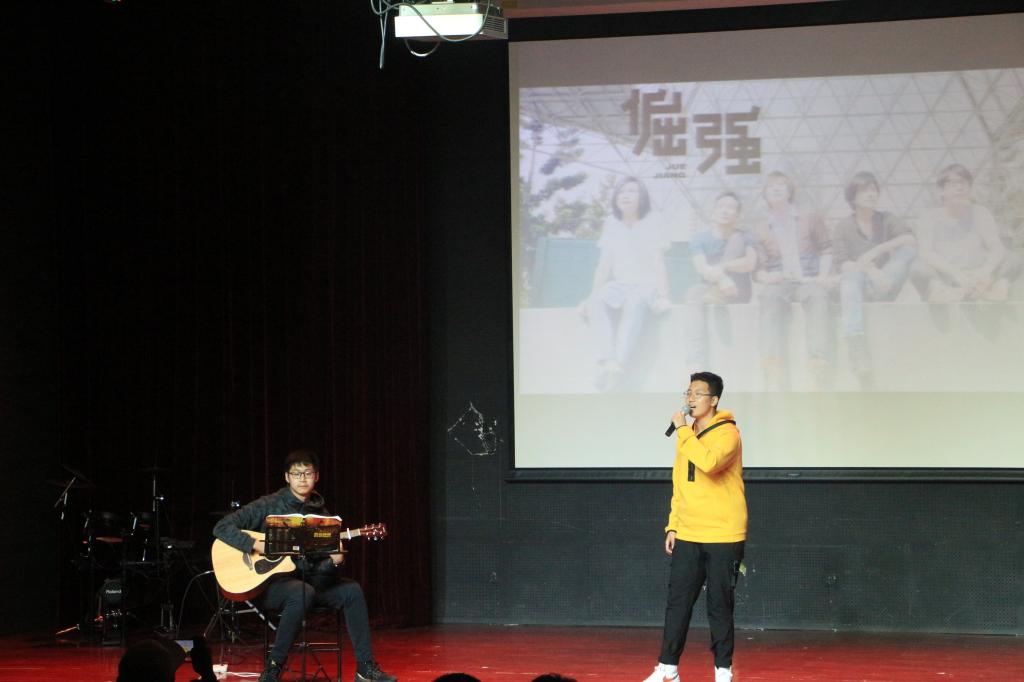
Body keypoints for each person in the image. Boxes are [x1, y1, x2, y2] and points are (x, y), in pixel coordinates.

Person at [213, 450, 396, 682]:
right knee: (302, 592)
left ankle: (365, 669)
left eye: (308, 473)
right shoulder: (268, 504)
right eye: (296, 473)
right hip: (269, 586)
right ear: (287, 477)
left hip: (306, 584)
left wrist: (335, 561)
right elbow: (221, 527)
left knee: (351, 591)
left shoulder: (321, 516)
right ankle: (273, 667)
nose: (302, 478)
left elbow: (319, 576)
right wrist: (254, 545)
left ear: (316, 476)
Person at [642, 372, 746, 682]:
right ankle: (668, 668)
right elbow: (681, 484)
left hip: (722, 533)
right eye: (688, 392)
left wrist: (683, 431)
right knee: (678, 602)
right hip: (688, 531)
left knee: (719, 604)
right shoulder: (688, 435)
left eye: (698, 393)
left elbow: (709, 463)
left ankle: (723, 670)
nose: (690, 398)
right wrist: (673, 525)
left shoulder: (728, 433)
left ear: (714, 400)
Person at [582, 176, 671, 391]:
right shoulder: (611, 223)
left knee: (634, 304)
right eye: (622, 192)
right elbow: (604, 265)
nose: (625, 195)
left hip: (646, 285)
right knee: (596, 301)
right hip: (620, 285)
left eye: (632, 191)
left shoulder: (654, 220)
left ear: (642, 197)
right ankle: (609, 361)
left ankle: (618, 365)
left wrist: (663, 296)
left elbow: (658, 261)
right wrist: (591, 296)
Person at [832, 172, 916, 388]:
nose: (871, 194)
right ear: (852, 197)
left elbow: (910, 239)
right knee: (850, 277)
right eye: (864, 190)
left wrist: (880, 248)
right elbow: (842, 263)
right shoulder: (843, 226)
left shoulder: (886, 219)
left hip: (885, 283)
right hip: (858, 287)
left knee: (908, 251)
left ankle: (858, 342)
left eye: (874, 189)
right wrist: (869, 270)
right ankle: (856, 345)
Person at [750, 171, 833, 389]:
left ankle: (817, 362)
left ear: (790, 192)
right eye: (771, 186)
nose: (777, 189)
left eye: (781, 185)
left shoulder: (810, 217)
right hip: (779, 281)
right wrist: (769, 277)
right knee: (769, 297)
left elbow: (826, 250)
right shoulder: (760, 227)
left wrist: (823, 276)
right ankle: (771, 364)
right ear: (765, 194)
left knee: (818, 296)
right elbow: (758, 271)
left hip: (808, 278)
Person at [910, 163, 1022, 303]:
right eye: (953, 183)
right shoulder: (929, 218)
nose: (960, 188)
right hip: (947, 277)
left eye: (964, 183)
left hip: (979, 274)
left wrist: (985, 271)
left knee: (1014, 258)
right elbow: (926, 253)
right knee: (917, 267)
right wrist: (956, 274)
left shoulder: (980, 213)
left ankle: (999, 287)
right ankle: (942, 290)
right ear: (941, 190)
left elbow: (996, 247)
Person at [683, 192, 757, 368]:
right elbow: (701, 267)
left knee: (737, 238)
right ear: (713, 212)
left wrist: (723, 268)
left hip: (737, 289)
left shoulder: (745, 237)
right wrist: (722, 279)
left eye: (731, 207)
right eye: (721, 206)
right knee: (693, 293)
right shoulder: (700, 238)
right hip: (710, 290)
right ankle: (696, 360)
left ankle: (718, 292)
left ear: (738, 215)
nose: (725, 211)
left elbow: (750, 263)